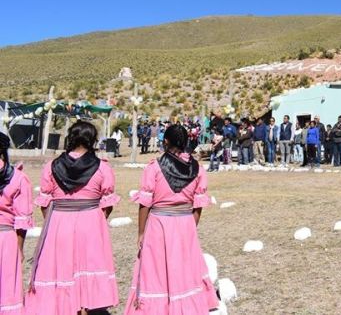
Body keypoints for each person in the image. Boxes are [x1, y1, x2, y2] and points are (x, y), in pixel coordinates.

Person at [27, 121, 120, 314]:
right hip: (91, 221)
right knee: (87, 265)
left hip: (59, 220)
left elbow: (45, 201)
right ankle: (85, 305)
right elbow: (107, 203)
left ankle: (65, 305)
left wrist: (54, 222)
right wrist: (97, 218)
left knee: (63, 266)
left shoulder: (52, 166)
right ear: (92, 139)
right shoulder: (102, 167)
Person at [125, 124, 217, 314]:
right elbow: (198, 205)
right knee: (182, 268)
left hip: (159, 223)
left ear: (165, 141)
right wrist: (191, 228)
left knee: (156, 269)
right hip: (185, 223)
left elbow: (145, 203)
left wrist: (141, 232)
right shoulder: (197, 169)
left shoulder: (154, 168)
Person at [0, 132, 33, 315]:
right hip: (6, 239)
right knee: (7, 287)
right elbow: (22, 218)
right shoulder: (18, 178)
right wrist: (19, 248)